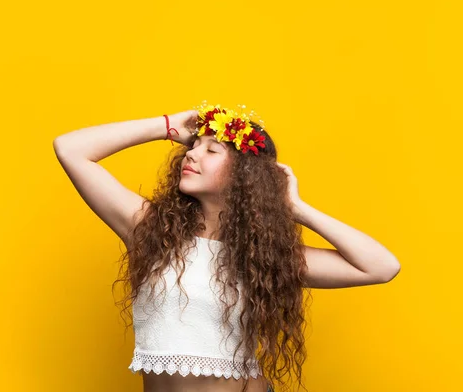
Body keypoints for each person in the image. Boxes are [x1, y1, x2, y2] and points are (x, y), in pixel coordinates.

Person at [52, 103, 401, 392]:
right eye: (193, 145)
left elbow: (381, 267)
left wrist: (297, 210)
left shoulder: (263, 256)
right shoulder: (150, 229)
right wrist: (168, 126)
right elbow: (70, 149)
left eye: (211, 149)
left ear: (243, 176)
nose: (191, 154)